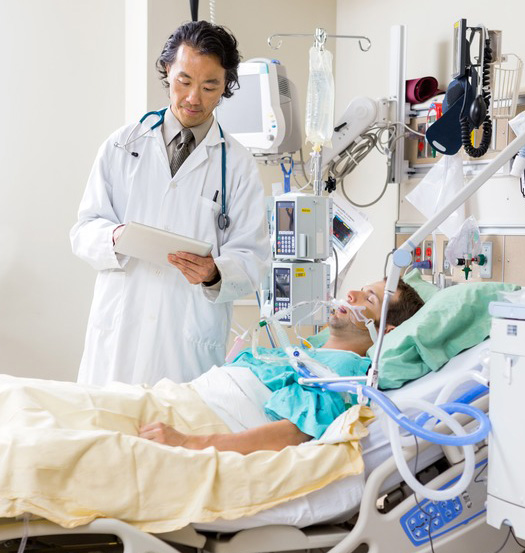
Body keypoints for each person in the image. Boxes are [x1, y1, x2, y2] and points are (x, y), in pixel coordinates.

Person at [70, 21, 271, 387]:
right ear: (167, 71)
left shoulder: (237, 165)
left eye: (210, 85)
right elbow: (83, 230)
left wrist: (214, 273)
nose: (194, 97)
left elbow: (253, 258)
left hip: (184, 345)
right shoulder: (122, 145)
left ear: (225, 85)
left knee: (176, 435)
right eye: (184, 81)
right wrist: (113, 237)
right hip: (119, 333)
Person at [139, 277, 424, 454]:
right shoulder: (307, 352)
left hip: (203, 423)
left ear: (385, 330)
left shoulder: (347, 370)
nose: (351, 295)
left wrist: (190, 443)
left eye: (368, 299)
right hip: (180, 400)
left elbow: (291, 434)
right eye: (361, 289)